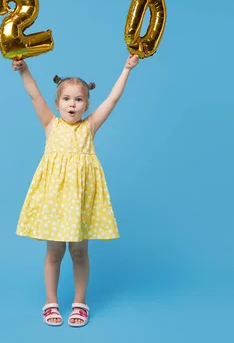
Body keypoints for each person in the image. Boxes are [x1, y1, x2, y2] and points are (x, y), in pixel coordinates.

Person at [12, 54, 140, 327]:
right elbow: (35, 96)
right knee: (54, 253)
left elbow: (113, 100)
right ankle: (51, 302)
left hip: (80, 200)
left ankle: (80, 302)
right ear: (58, 103)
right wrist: (24, 70)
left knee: (80, 252)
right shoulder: (51, 125)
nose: (72, 104)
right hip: (56, 201)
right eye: (66, 99)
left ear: (86, 104)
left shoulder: (89, 127)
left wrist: (126, 69)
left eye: (78, 99)